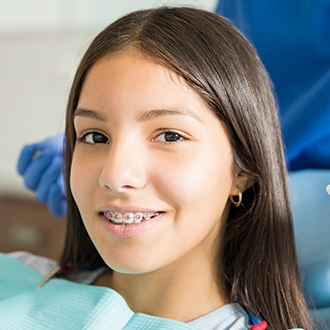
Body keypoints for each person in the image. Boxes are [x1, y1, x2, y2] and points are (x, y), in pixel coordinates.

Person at [5, 6, 314, 329]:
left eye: (169, 135)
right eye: (95, 136)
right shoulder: (14, 281)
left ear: (243, 171)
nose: (114, 175)